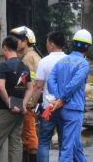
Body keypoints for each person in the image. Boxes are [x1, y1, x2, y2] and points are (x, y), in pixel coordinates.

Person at [48, 30, 91, 162]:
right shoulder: (83, 64)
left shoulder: (62, 61)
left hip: (61, 110)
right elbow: (74, 84)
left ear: (73, 43)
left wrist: (58, 99)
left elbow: (50, 80)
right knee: (67, 148)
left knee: (75, 145)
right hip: (73, 110)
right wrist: (62, 99)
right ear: (88, 47)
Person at [0, 36, 33, 162]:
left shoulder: (4, 65)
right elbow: (30, 89)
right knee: (16, 143)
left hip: (5, 110)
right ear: (17, 48)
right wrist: (23, 105)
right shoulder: (25, 67)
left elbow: (1, 88)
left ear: (5, 48)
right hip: (20, 111)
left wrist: (10, 104)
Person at [31, 32, 66, 162]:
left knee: (44, 142)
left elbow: (38, 87)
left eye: (47, 42)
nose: (46, 45)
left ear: (52, 45)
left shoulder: (44, 62)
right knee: (64, 142)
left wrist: (33, 105)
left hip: (48, 109)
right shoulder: (69, 60)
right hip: (65, 108)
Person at [10, 27, 41, 162]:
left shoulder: (27, 59)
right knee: (26, 134)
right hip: (29, 102)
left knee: (29, 133)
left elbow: (27, 84)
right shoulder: (30, 56)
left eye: (16, 41)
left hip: (27, 103)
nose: (14, 43)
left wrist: (21, 103)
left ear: (25, 41)